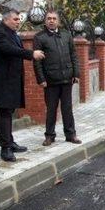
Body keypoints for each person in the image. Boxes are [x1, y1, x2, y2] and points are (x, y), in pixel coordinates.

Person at [0, 9, 45, 161]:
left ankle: (10, 142)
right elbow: (9, 50)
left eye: (19, 19)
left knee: (9, 112)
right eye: (15, 19)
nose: (18, 22)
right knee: (5, 113)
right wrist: (31, 54)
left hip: (13, 80)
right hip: (3, 81)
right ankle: (5, 148)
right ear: (6, 20)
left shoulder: (13, 34)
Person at [33, 11, 82, 146]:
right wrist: (41, 79)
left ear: (58, 21)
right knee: (51, 110)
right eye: (49, 18)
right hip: (50, 81)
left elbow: (74, 55)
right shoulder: (40, 37)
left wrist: (76, 74)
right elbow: (37, 62)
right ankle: (49, 136)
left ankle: (71, 134)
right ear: (45, 21)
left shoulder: (66, 35)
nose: (51, 21)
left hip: (67, 79)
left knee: (67, 109)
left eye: (54, 18)